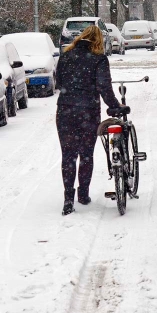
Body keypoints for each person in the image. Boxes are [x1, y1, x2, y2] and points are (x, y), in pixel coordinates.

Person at [55, 25, 123, 216]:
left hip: (65, 111)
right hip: (88, 112)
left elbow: (59, 82)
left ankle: (68, 199)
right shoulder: (98, 59)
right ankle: (83, 194)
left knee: (68, 155)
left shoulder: (66, 56)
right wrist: (114, 106)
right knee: (86, 154)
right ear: (98, 41)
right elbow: (104, 86)